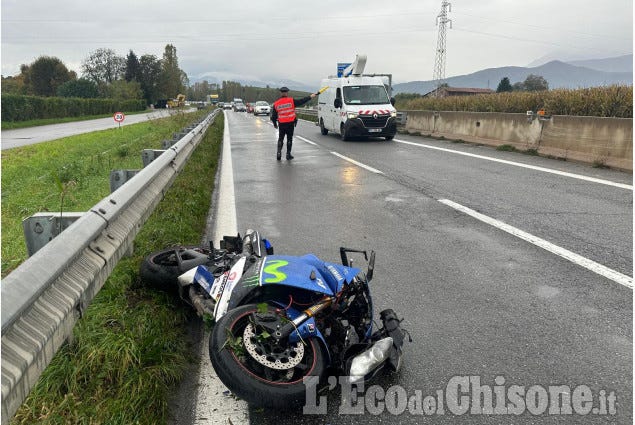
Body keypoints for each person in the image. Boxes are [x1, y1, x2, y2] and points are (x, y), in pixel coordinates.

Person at [271, 86, 317, 160]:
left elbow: (273, 116)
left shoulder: (276, 103)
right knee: (289, 139)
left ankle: (279, 153)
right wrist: (310, 97)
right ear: (287, 93)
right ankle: (288, 154)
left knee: (281, 138)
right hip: (290, 123)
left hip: (282, 124)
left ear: (281, 93)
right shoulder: (291, 101)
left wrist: (275, 124)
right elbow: (302, 101)